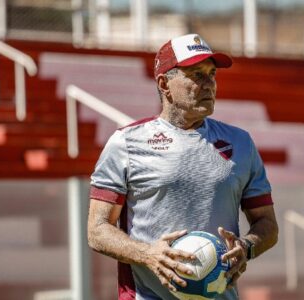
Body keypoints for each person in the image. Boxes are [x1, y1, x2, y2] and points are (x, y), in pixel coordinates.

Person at [87, 33, 278, 299]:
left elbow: (267, 224)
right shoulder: (126, 143)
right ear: (165, 84)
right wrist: (149, 255)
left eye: (212, 74)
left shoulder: (241, 143)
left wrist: (245, 248)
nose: (209, 84)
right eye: (197, 75)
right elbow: (97, 231)